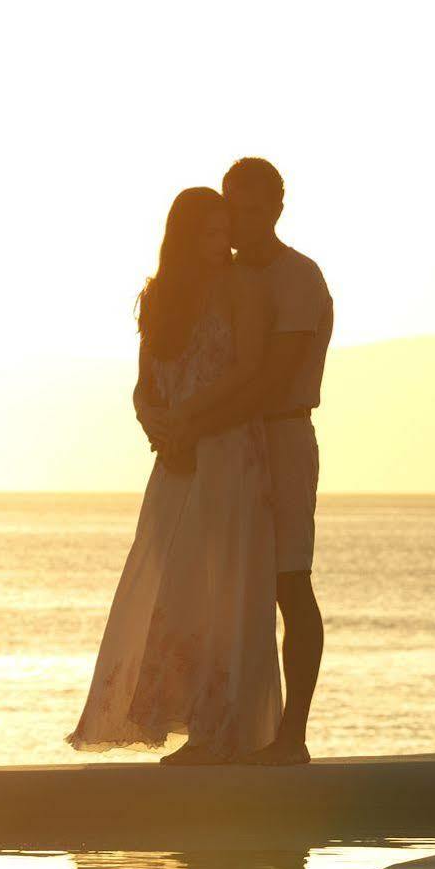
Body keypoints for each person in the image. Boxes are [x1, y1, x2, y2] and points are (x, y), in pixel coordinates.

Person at [67, 187, 282, 763]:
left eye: (225, 233)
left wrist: (191, 418)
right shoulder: (160, 296)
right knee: (172, 589)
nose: (222, 245)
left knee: (225, 590)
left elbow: (247, 370)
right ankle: (187, 722)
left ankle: (221, 730)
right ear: (185, 238)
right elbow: (144, 381)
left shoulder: (241, 289)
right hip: (177, 458)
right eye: (210, 234)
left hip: (229, 452)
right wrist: (157, 422)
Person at [153, 157, 333, 765]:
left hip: (280, 440)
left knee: (289, 583)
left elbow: (269, 378)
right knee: (218, 588)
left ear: (279, 206)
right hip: (226, 448)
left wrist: (193, 426)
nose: (244, 222)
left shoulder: (298, 279)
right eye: (235, 208)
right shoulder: (220, 279)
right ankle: (217, 731)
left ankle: (291, 738)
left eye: (256, 209)